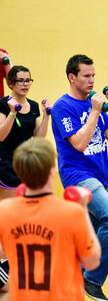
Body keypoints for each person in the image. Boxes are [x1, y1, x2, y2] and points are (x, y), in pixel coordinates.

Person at [0, 137, 100, 301]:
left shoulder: (5, 211)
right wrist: (84, 209)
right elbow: (92, 261)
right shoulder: (70, 212)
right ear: (52, 170)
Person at [51, 54, 108, 301]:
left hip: (99, 176)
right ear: (72, 77)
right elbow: (80, 144)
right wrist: (94, 111)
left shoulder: (95, 105)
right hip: (77, 176)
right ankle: (91, 281)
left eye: (93, 75)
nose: (92, 80)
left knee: (88, 239)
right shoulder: (64, 107)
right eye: (86, 75)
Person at [0, 65, 51, 200]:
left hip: (25, 164)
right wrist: (12, 113)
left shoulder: (33, 106)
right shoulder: (2, 104)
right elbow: (1, 136)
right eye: (20, 80)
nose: (25, 84)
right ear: (11, 83)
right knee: (8, 210)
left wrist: (46, 116)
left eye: (28, 80)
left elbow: (38, 137)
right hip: (6, 165)